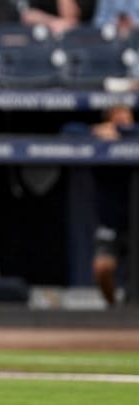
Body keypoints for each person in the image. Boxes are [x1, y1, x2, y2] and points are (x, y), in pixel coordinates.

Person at [89, 104, 137, 306]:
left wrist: (127, 132)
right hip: (112, 222)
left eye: (126, 116)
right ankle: (113, 309)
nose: (122, 120)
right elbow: (70, 131)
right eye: (116, 117)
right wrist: (97, 132)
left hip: (136, 221)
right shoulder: (99, 143)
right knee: (102, 268)